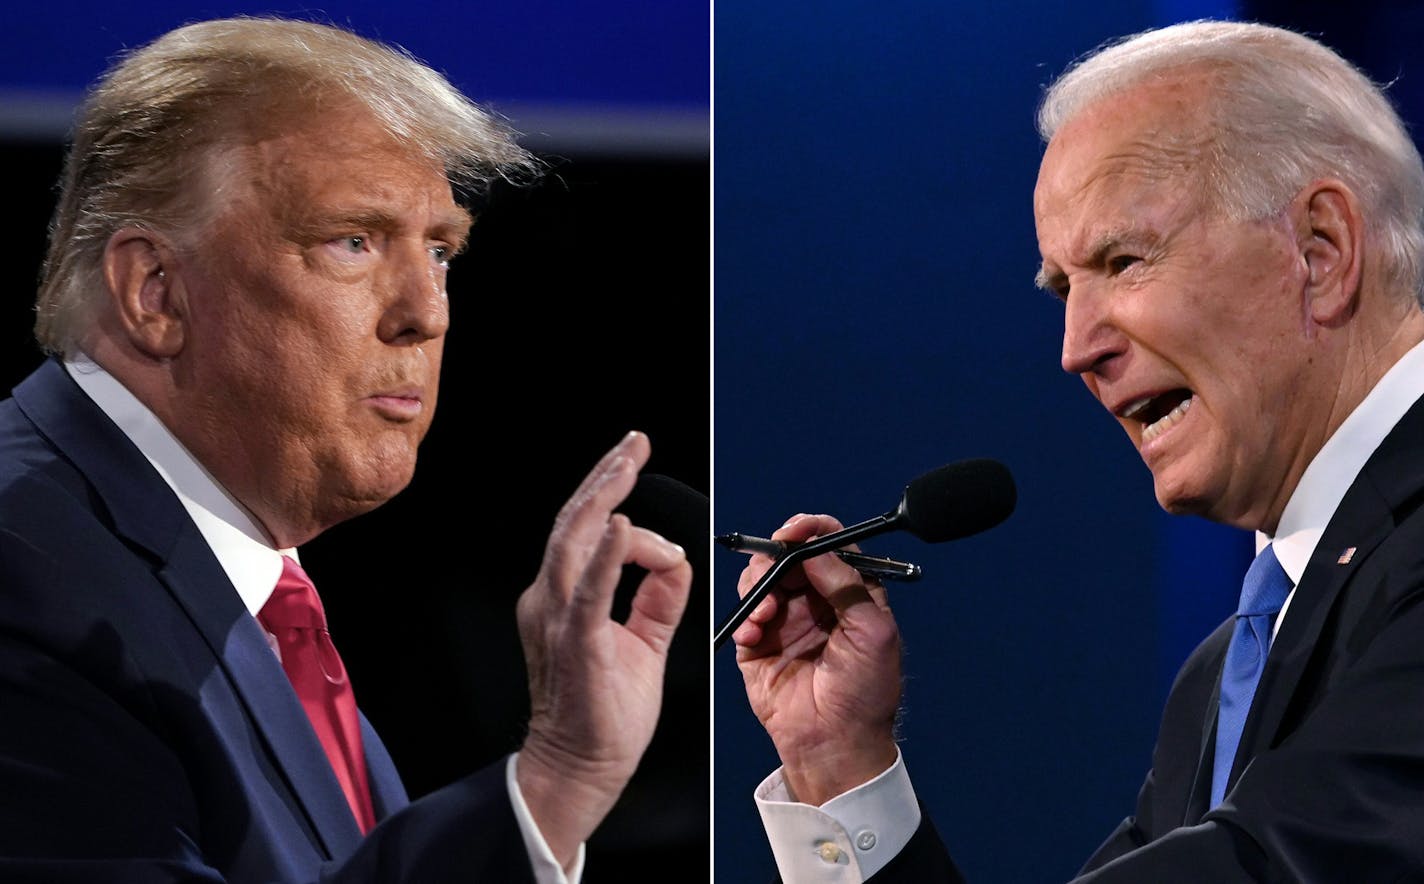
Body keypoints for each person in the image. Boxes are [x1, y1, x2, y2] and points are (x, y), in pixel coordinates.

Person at [0, 16, 694, 883]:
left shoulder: (229, 587)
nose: (426, 314)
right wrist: (553, 782)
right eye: (352, 242)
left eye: (441, 251)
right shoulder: (27, 572)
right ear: (155, 293)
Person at [731, 18, 1424, 882]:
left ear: (1320, 252)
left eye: (1125, 260)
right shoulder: (1225, 670)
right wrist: (841, 767)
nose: (1075, 346)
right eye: (1063, 288)